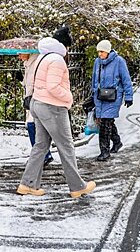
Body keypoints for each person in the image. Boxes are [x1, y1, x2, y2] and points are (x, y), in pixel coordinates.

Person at [17, 37, 96, 198]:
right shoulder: (57, 60)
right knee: (66, 146)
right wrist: (68, 98)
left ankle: (28, 184)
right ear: (62, 45)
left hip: (37, 104)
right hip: (53, 107)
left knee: (40, 146)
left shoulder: (40, 58)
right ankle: (77, 187)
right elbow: (53, 86)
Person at [91, 40, 133, 161]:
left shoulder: (119, 61)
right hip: (100, 96)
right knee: (107, 121)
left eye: (102, 51)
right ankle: (117, 142)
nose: (100, 54)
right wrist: (93, 92)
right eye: (98, 51)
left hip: (114, 96)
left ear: (108, 51)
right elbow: (94, 79)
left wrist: (129, 96)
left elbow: (126, 79)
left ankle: (104, 151)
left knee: (105, 123)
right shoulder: (97, 62)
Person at [18, 53, 53, 166]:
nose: (19, 56)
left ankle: (41, 155)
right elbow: (28, 83)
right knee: (34, 126)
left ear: (27, 52)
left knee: (32, 125)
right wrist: (21, 79)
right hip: (32, 98)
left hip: (35, 98)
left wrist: (32, 96)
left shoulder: (35, 63)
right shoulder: (28, 64)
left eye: (20, 53)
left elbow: (34, 82)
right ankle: (44, 154)